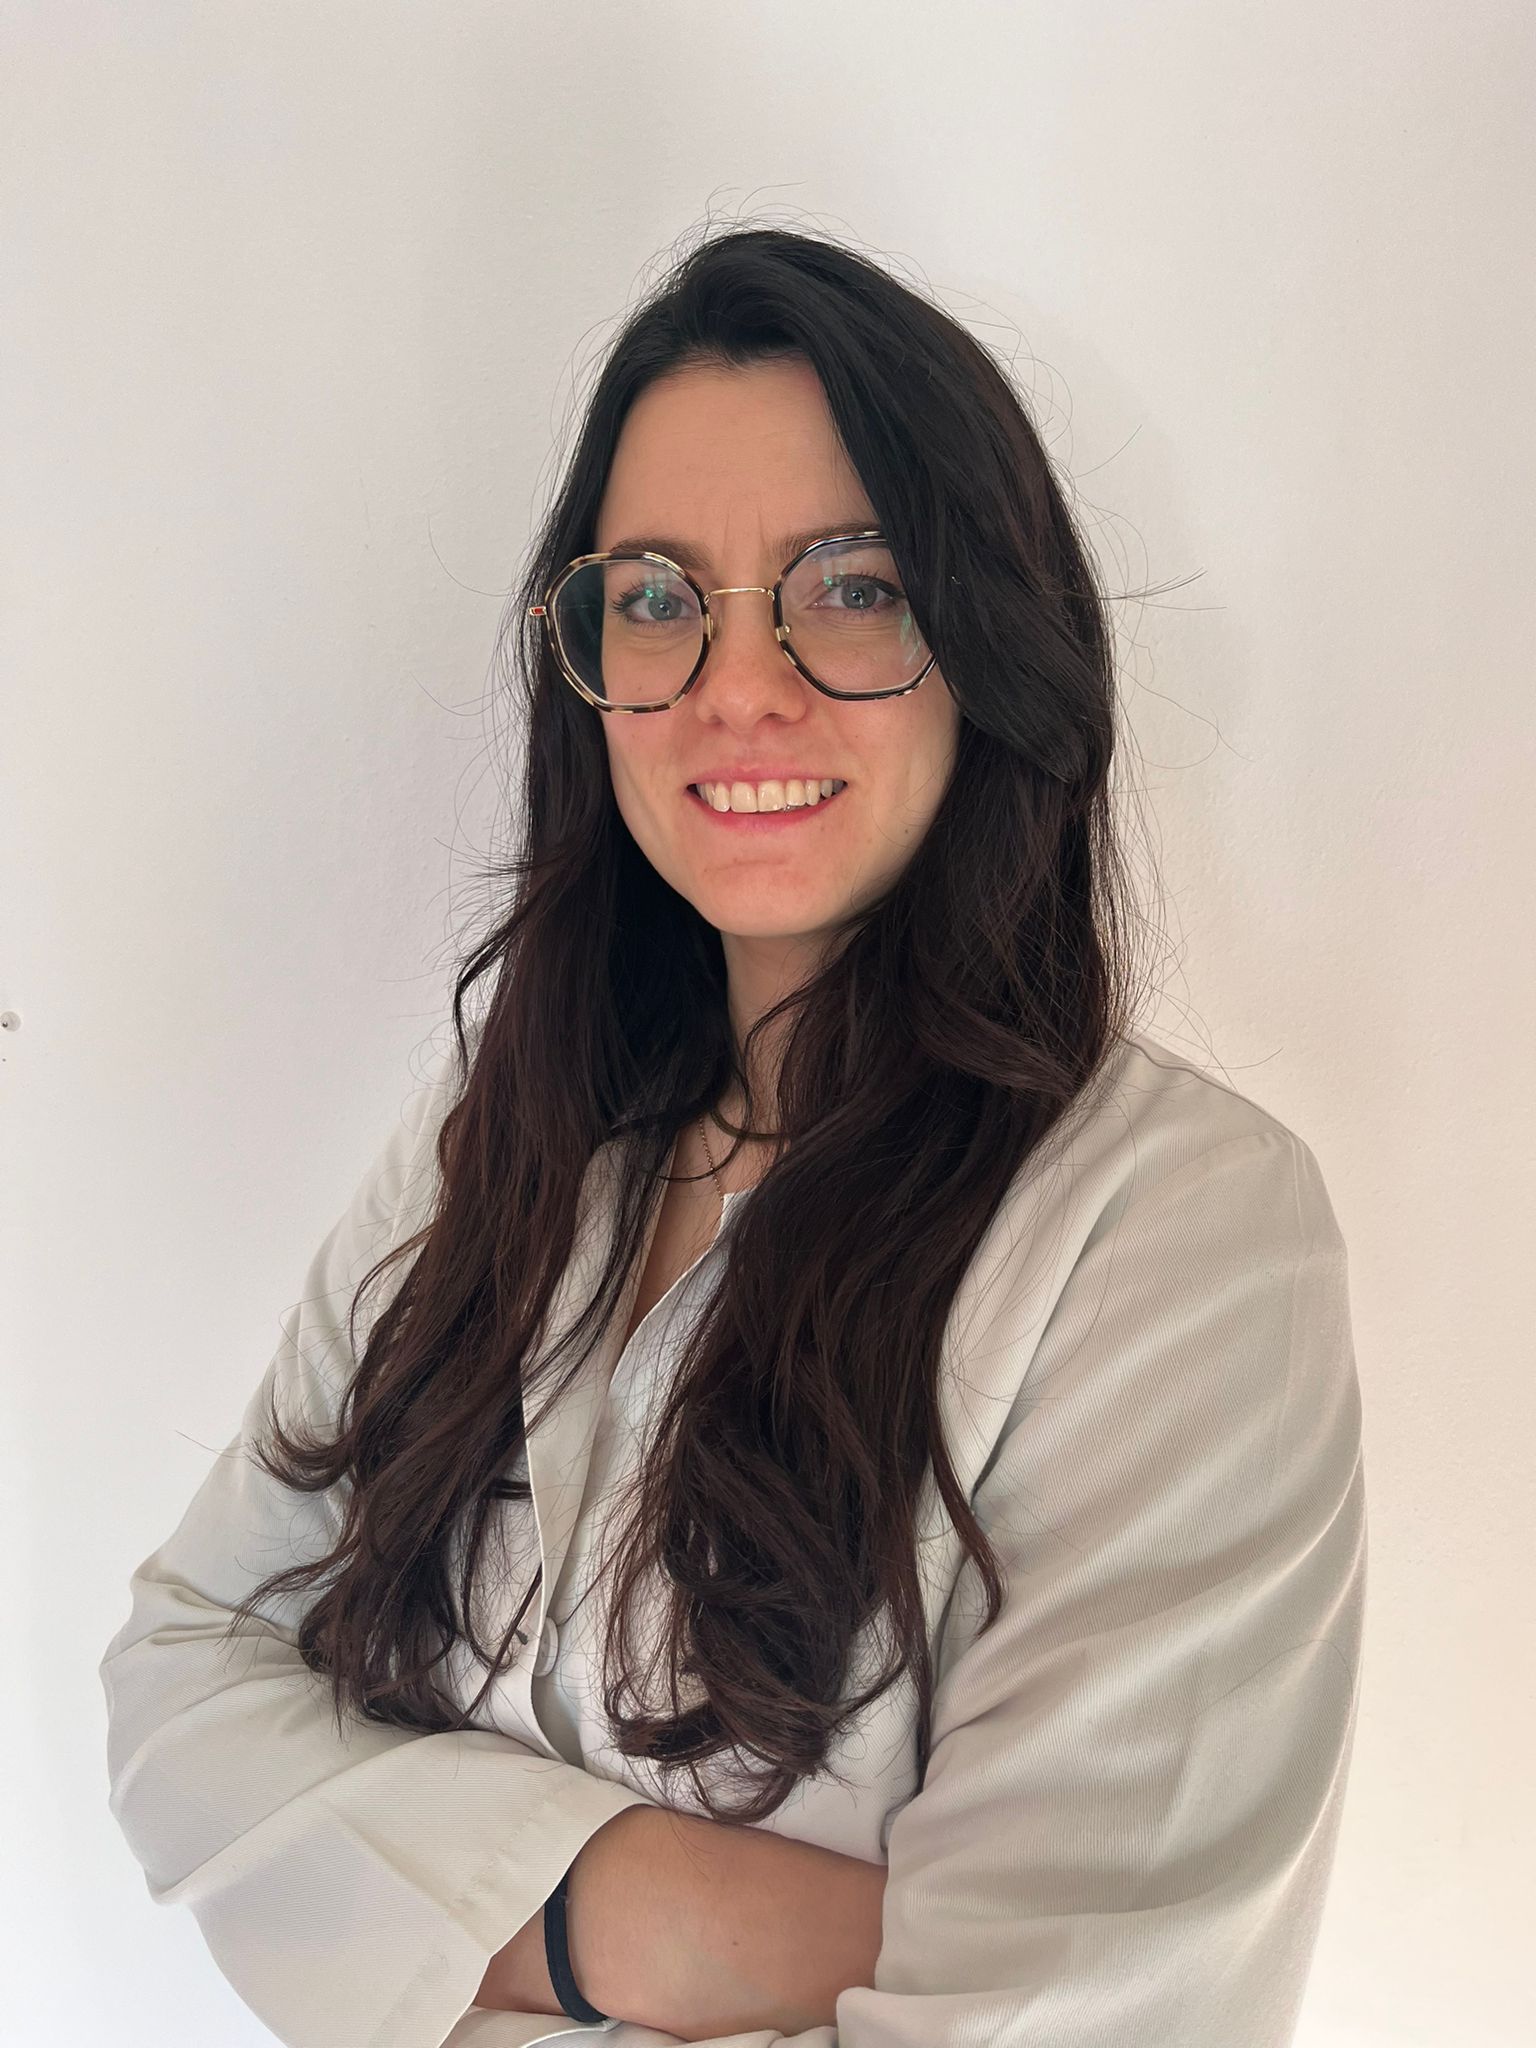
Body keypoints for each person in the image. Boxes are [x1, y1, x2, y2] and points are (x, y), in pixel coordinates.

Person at [99, 225, 1366, 2048]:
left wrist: (412, 1933)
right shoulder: (505, 1135)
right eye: (656, 595)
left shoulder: (1176, 1238)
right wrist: (637, 1922)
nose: (736, 687)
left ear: (988, 640)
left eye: (852, 586)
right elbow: (182, 1678)